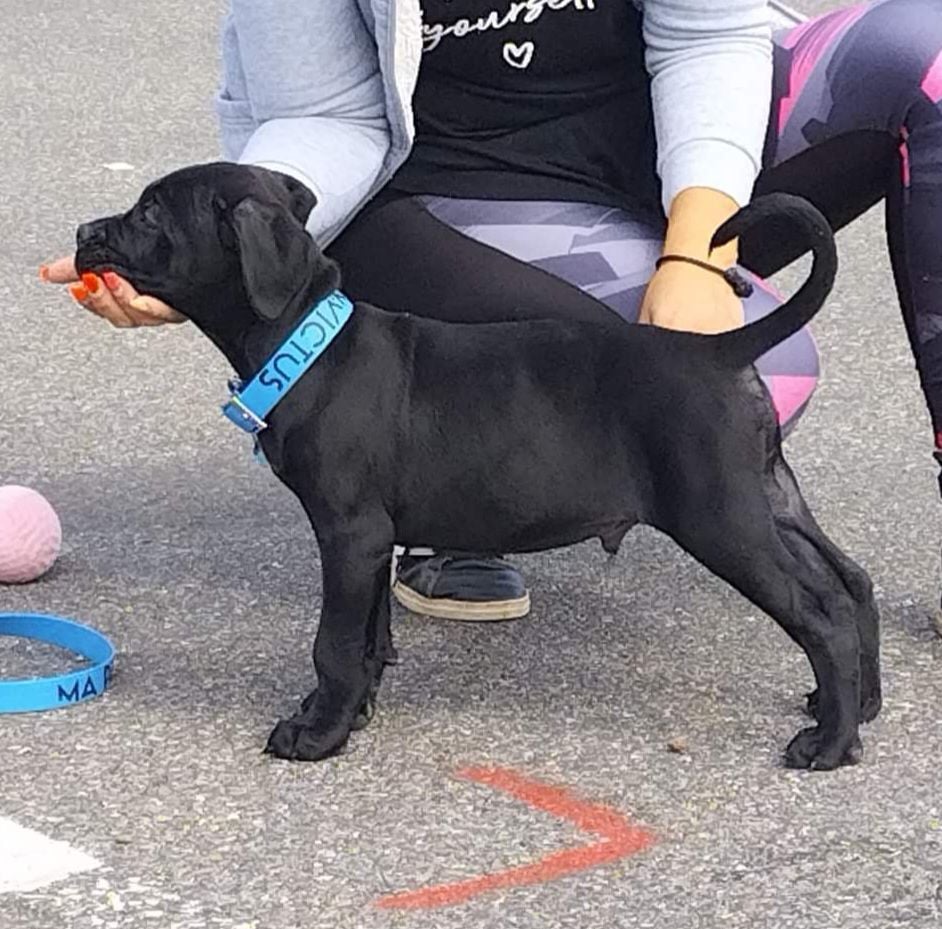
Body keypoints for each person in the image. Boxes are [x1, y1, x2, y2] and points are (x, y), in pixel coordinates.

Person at [42, 0, 942, 622]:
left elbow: (708, 33)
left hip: (667, 152)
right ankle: (444, 498)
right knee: (739, 384)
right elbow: (327, 116)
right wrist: (227, 260)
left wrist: (696, 251)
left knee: (930, 53)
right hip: (444, 194)